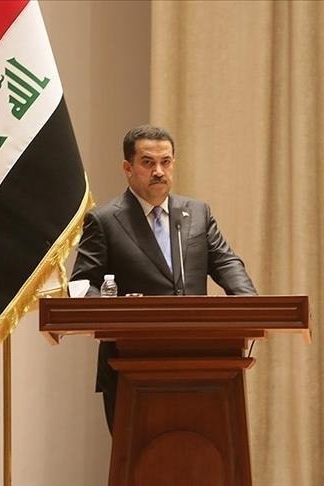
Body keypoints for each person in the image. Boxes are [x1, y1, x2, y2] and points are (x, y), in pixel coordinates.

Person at [71, 124, 257, 432]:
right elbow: (80, 285)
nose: (158, 171)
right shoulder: (104, 221)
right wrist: (116, 311)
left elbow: (226, 263)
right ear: (128, 168)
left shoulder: (197, 213)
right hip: (130, 363)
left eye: (165, 162)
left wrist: (250, 306)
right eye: (148, 162)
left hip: (201, 361)